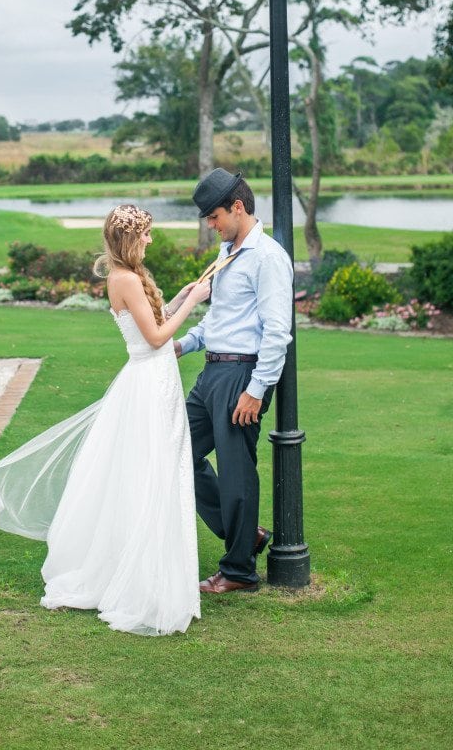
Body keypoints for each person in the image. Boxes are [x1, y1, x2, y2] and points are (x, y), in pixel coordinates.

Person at [0, 204, 210, 636]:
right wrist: (194, 304)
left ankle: (154, 569)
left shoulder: (130, 277)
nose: (150, 241)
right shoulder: (123, 279)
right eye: (145, 235)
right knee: (149, 475)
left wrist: (181, 295)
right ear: (129, 239)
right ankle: (140, 579)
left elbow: (155, 321)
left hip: (155, 381)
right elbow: (158, 338)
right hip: (147, 384)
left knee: (157, 472)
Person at [174, 169, 293, 594]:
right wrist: (181, 346)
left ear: (237, 207)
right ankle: (247, 536)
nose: (210, 224)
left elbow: (277, 331)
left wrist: (256, 390)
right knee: (174, 450)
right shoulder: (228, 253)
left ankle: (239, 571)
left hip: (242, 374)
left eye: (213, 215)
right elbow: (217, 321)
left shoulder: (267, 257)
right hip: (211, 373)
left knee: (238, 473)